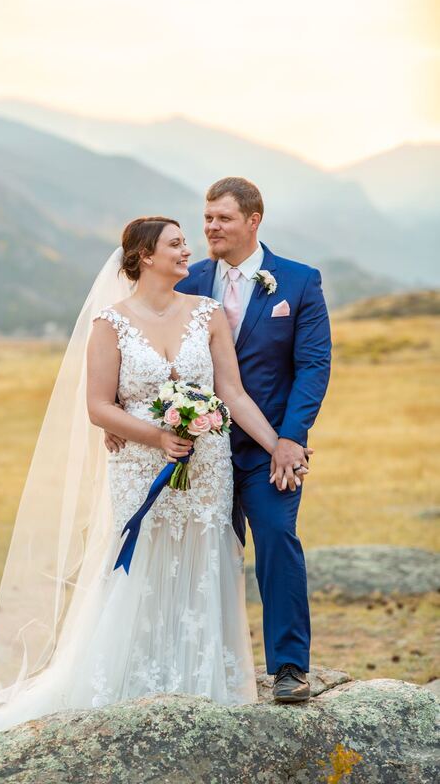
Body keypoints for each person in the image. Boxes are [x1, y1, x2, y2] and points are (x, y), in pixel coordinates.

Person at [0, 215, 305, 755]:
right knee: (142, 561)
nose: (187, 250)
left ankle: (202, 683)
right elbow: (98, 405)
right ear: (145, 256)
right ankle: (131, 683)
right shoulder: (111, 322)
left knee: (203, 558)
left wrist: (278, 445)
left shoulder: (209, 314)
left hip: (207, 467)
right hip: (140, 466)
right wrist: (156, 435)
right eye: (176, 243)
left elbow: (234, 394)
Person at [172, 177, 332, 701]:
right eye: (208, 217)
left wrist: (290, 438)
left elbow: (312, 366)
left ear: (253, 220)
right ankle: (200, 665)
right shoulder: (188, 281)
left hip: (271, 451)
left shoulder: (299, 282)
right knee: (200, 553)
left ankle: (289, 668)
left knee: (277, 542)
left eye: (223, 218)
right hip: (200, 449)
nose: (211, 227)